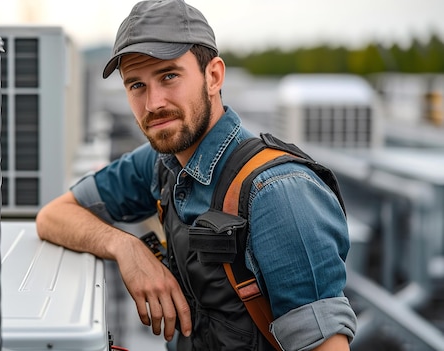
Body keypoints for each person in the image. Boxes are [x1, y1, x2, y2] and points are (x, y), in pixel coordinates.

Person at [36, 0, 357, 350]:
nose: (153, 103)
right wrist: (126, 247)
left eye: (169, 76)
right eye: (136, 85)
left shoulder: (278, 194)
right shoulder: (162, 162)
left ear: (214, 76)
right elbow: (53, 216)